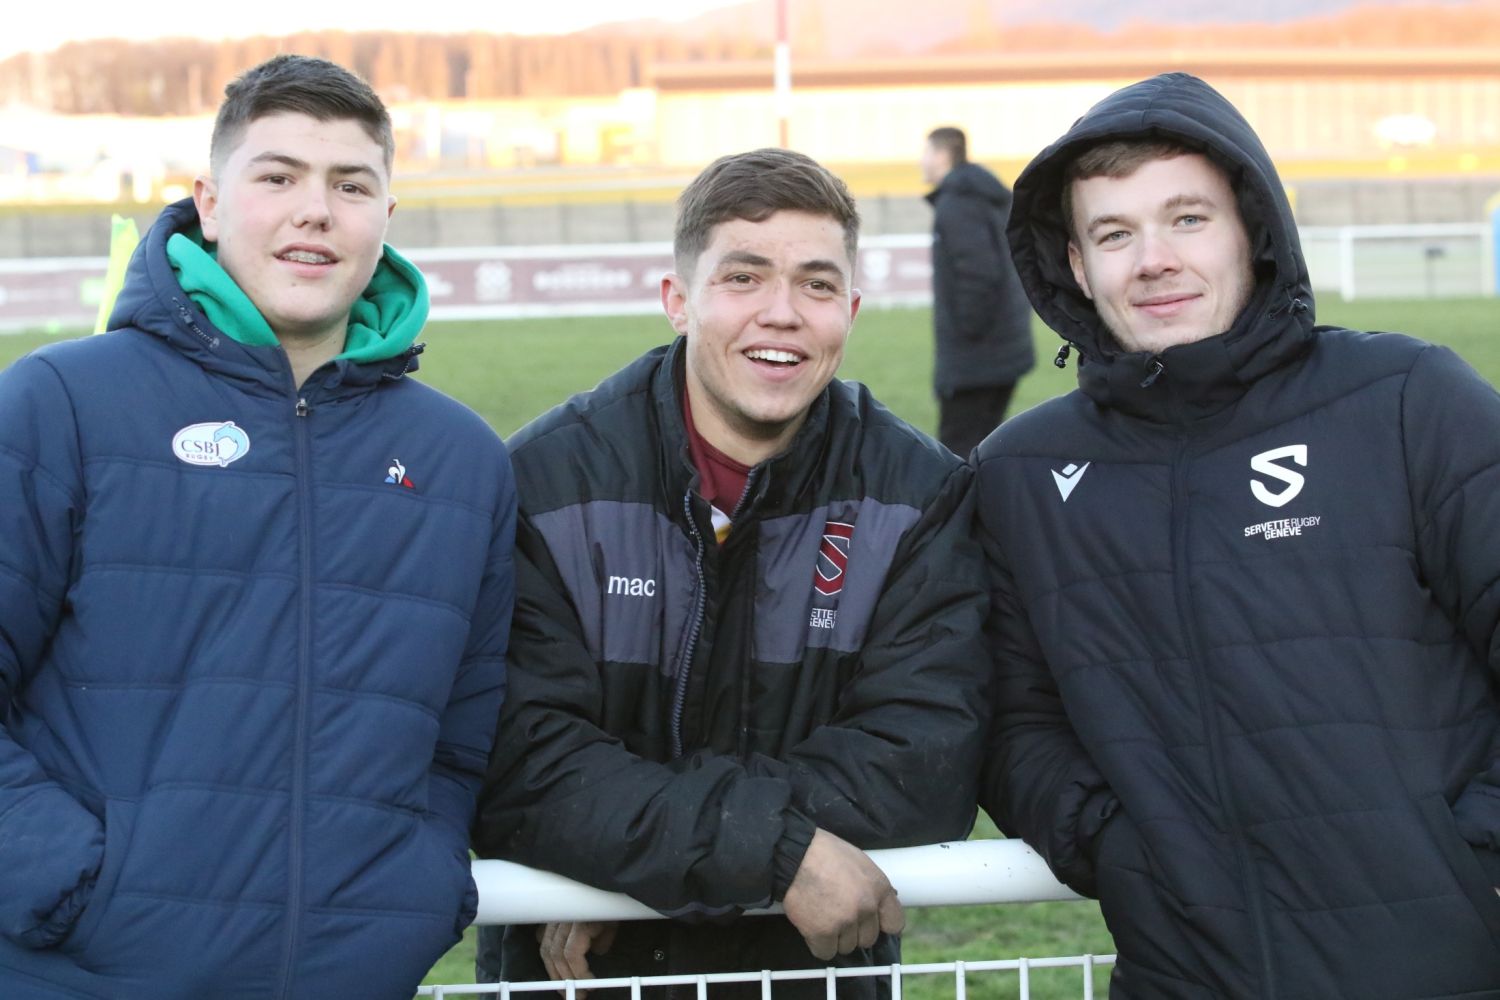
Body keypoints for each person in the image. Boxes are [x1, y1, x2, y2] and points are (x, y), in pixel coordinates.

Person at [0, 55, 516, 999]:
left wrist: (416, 891)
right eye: (277, 177)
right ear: (208, 201)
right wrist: (74, 886)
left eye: (350, 185)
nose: (315, 211)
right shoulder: (60, 403)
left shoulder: (462, 461)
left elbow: (461, 740)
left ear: (386, 215)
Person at [975, 71, 1500, 997]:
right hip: (1182, 975)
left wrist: (1475, 860)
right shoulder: (1020, 472)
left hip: (1445, 964)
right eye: (1114, 234)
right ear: (1077, 265)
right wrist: (1120, 849)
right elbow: (1013, 721)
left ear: (1252, 230)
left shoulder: (1408, 399)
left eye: (1187, 219)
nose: (1154, 260)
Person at [473, 148, 990, 996]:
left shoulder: (919, 496)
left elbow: (923, 765)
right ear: (678, 300)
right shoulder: (545, 484)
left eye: (817, 285)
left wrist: (629, 866)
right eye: (744, 278)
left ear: (851, 310)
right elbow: (522, 765)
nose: (781, 313)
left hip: (815, 976)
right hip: (580, 981)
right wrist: (776, 851)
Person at [920, 126, 1035, 456]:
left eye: (926, 153)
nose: (921, 162)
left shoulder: (957, 203)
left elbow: (979, 273)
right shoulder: (984, 196)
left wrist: (968, 336)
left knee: (957, 456)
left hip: (977, 359)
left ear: (942, 155)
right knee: (986, 451)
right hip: (1002, 349)